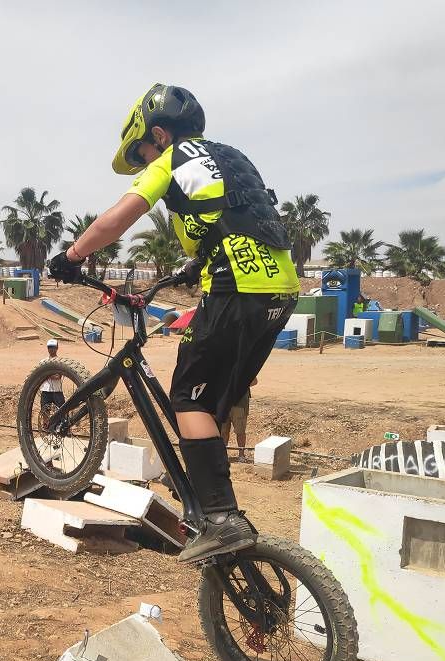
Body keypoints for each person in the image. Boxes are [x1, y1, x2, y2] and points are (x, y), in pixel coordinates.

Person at [49, 84, 300, 562]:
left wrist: (72, 255)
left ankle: (222, 518)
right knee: (214, 403)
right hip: (281, 292)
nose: (145, 164)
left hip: (236, 287)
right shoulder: (232, 157)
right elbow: (236, 217)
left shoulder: (172, 159)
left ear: (159, 135)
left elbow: (118, 218)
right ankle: (214, 517)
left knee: (188, 394)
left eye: (143, 153)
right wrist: (191, 267)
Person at [219, 377, 256, 462]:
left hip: (239, 404)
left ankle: (241, 455)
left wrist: (239, 386)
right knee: (223, 432)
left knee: (240, 431)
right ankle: (223, 455)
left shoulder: (243, 366)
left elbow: (254, 381)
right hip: (224, 404)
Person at [40, 339, 64, 410]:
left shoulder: (60, 361)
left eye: (53, 347)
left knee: (61, 412)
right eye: (49, 347)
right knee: (44, 412)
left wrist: (45, 374)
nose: (51, 349)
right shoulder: (43, 361)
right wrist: (50, 375)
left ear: (57, 348)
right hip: (45, 391)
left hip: (57, 391)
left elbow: (58, 376)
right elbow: (40, 376)